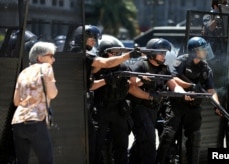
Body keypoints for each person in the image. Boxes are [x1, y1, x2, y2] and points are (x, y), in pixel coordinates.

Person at [70, 25, 143, 164]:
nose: (93, 42)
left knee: (117, 145)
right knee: (94, 144)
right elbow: (106, 64)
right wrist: (128, 55)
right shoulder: (79, 53)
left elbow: (90, 84)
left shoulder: (79, 52)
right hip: (91, 106)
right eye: (91, 38)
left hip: (112, 109)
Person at [127, 38, 194, 164]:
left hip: (153, 109)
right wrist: (147, 90)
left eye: (165, 53)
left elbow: (174, 85)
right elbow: (131, 87)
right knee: (149, 143)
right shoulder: (141, 65)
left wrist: (184, 94)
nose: (164, 56)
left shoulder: (163, 69)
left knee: (142, 142)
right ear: (152, 53)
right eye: (161, 53)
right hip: (139, 108)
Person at [157, 36, 222, 164]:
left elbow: (211, 90)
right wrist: (190, 86)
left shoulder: (205, 67)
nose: (206, 51)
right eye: (203, 49)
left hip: (193, 107)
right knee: (168, 135)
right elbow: (173, 78)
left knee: (195, 137)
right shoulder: (182, 61)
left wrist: (217, 105)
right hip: (177, 105)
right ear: (194, 51)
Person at [12, 41, 58, 164]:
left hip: (18, 123)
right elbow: (52, 94)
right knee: (46, 160)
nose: (53, 60)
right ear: (40, 57)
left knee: (22, 161)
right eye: (51, 56)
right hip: (36, 121)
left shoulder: (23, 72)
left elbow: (16, 101)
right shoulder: (46, 67)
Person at [92, 36, 135, 164]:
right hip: (101, 108)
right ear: (104, 53)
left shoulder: (123, 67)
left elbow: (134, 82)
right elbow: (91, 85)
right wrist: (106, 80)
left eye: (118, 53)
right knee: (97, 144)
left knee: (121, 145)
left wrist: (145, 79)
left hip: (119, 109)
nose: (117, 55)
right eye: (113, 53)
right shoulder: (98, 67)